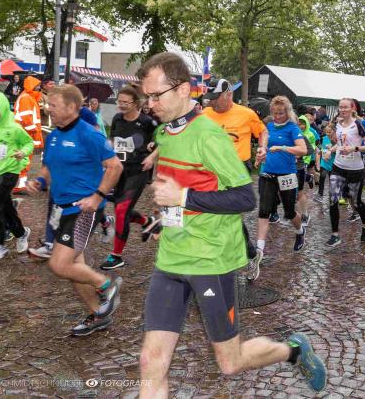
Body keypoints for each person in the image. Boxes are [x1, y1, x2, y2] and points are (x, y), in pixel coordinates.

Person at [136, 53, 326, 395]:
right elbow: (182, 188)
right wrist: (164, 218)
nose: (149, 104)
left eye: (155, 96)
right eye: (146, 96)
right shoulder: (165, 132)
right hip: (171, 260)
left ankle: (293, 351)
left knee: (230, 362)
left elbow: (243, 199)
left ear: (182, 89)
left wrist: (183, 197)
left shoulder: (209, 136)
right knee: (151, 361)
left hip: (210, 261)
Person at [26, 84, 124, 336]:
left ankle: (106, 284)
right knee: (75, 268)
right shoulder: (54, 136)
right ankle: (98, 314)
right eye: (47, 104)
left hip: (84, 209)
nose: (47, 109)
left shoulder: (88, 134)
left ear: (71, 107)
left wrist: (97, 196)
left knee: (59, 264)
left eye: (53, 105)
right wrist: (41, 181)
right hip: (61, 209)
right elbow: (49, 166)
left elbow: (115, 167)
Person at [203, 79, 267, 265]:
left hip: (237, 168)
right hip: (212, 169)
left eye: (215, 98)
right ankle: (247, 252)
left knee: (228, 212)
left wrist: (262, 148)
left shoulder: (246, 114)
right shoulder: (205, 114)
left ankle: (244, 253)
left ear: (228, 95)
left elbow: (262, 132)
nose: (211, 102)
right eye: (210, 98)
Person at [100, 86, 160, 270]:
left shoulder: (148, 122)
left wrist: (152, 156)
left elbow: (163, 141)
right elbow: (113, 140)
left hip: (138, 171)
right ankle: (147, 221)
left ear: (135, 103)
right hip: (119, 171)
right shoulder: (117, 119)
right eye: (119, 102)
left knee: (121, 210)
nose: (122, 105)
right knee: (120, 208)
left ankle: (116, 256)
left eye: (126, 102)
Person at [251, 96, 307, 278]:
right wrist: (260, 154)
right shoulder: (268, 126)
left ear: (287, 112)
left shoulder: (293, 128)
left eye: (281, 113)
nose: (277, 116)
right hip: (268, 173)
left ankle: (300, 231)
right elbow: (264, 145)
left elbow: (303, 150)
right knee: (264, 211)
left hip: (287, 175)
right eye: (274, 113)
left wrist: (283, 148)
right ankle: (259, 249)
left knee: (289, 212)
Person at [0, 93, 34, 259]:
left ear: (3, 110)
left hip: (9, 171)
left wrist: (22, 152)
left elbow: (29, 143)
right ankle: (21, 233)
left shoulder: (14, 128)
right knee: (4, 205)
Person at [325, 98, 365, 247]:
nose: (343, 110)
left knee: (356, 202)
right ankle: (335, 235)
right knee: (333, 199)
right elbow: (340, 144)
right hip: (338, 167)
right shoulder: (337, 124)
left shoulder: (358, 124)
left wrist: (355, 148)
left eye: (346, 107)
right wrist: (330, 150)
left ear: (352, 109)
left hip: (355, 170)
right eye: (341, 107)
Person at [13, 75, 44, 190]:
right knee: (23, 158)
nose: (39, 88)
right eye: (37, 86)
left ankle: (21, 184)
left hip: (26, 132)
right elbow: (26, 117)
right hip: (26, 133)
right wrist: (34, 130)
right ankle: (19, 184)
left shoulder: (28, 97)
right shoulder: (27, 98)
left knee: (24, 159)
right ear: (32, 86)